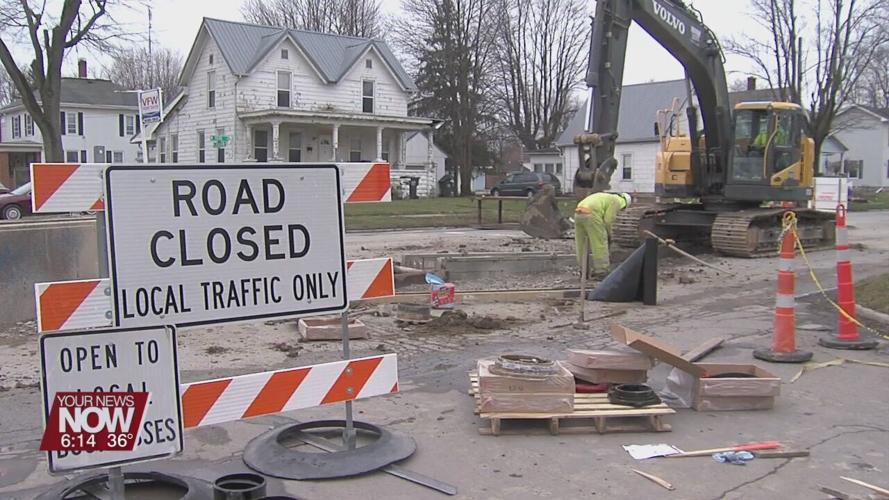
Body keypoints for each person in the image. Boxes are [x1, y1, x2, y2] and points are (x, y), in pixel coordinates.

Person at [574, 192, 632, 278]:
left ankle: (583, 271)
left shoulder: (606, 196)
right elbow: (608, 221)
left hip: (578, 213)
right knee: (599, 243)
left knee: (581, 245)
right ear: (625, 204)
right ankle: (601, 271)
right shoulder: (616, 201)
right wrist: (609, 234)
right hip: (591, 214)